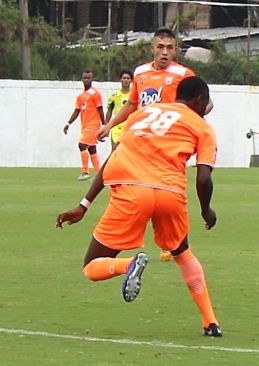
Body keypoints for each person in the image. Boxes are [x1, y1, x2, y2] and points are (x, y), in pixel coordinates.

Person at [56, 77, 222, 337]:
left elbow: (113, 158)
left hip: (131, 192)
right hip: (170, 193)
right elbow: (203, 177)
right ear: (199, 100)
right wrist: (206, 210)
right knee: (183, 253)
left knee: (91, 265)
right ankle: (210, 321)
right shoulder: (202, 127)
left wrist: (83, 205)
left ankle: (128, 265)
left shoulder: (141, 114)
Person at [96, 27, 213, 262]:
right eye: (160, 47)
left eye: (170, 48)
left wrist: (191, 125)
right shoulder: (140, 73)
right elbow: (132, 105)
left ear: (176, 50)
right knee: (130, 185)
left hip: (168, 147)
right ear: (152, 48)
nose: (164, 52)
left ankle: (169, 243)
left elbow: (207, 104)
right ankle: (134, 233)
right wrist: (109, 126)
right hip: (141, 141)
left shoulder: (183, 74)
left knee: (166, 191)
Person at [63, 70, 105, 181]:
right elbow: (77, 111)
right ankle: (98, 174)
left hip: (93, 125)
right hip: (85, 125)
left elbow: (100, 109)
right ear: (82, 79)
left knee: (82, 145)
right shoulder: (81, 96)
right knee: (92, 149)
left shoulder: (95, 93)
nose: (86, 80)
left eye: (88, 78)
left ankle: (85, 172)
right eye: (85, 78)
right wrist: (68, 123)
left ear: (92, 79)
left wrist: (105, 125)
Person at [105, 69, 133, 151]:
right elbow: (109, 111)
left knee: (127, 151)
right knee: (115, 149)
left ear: (131, 81)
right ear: (120, 80)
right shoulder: (114, 95)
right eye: (124, 78)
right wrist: (106, 126)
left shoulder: (134, 95)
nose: (126, 80)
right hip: (116, 127)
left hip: (129, 127)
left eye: (128, 78)